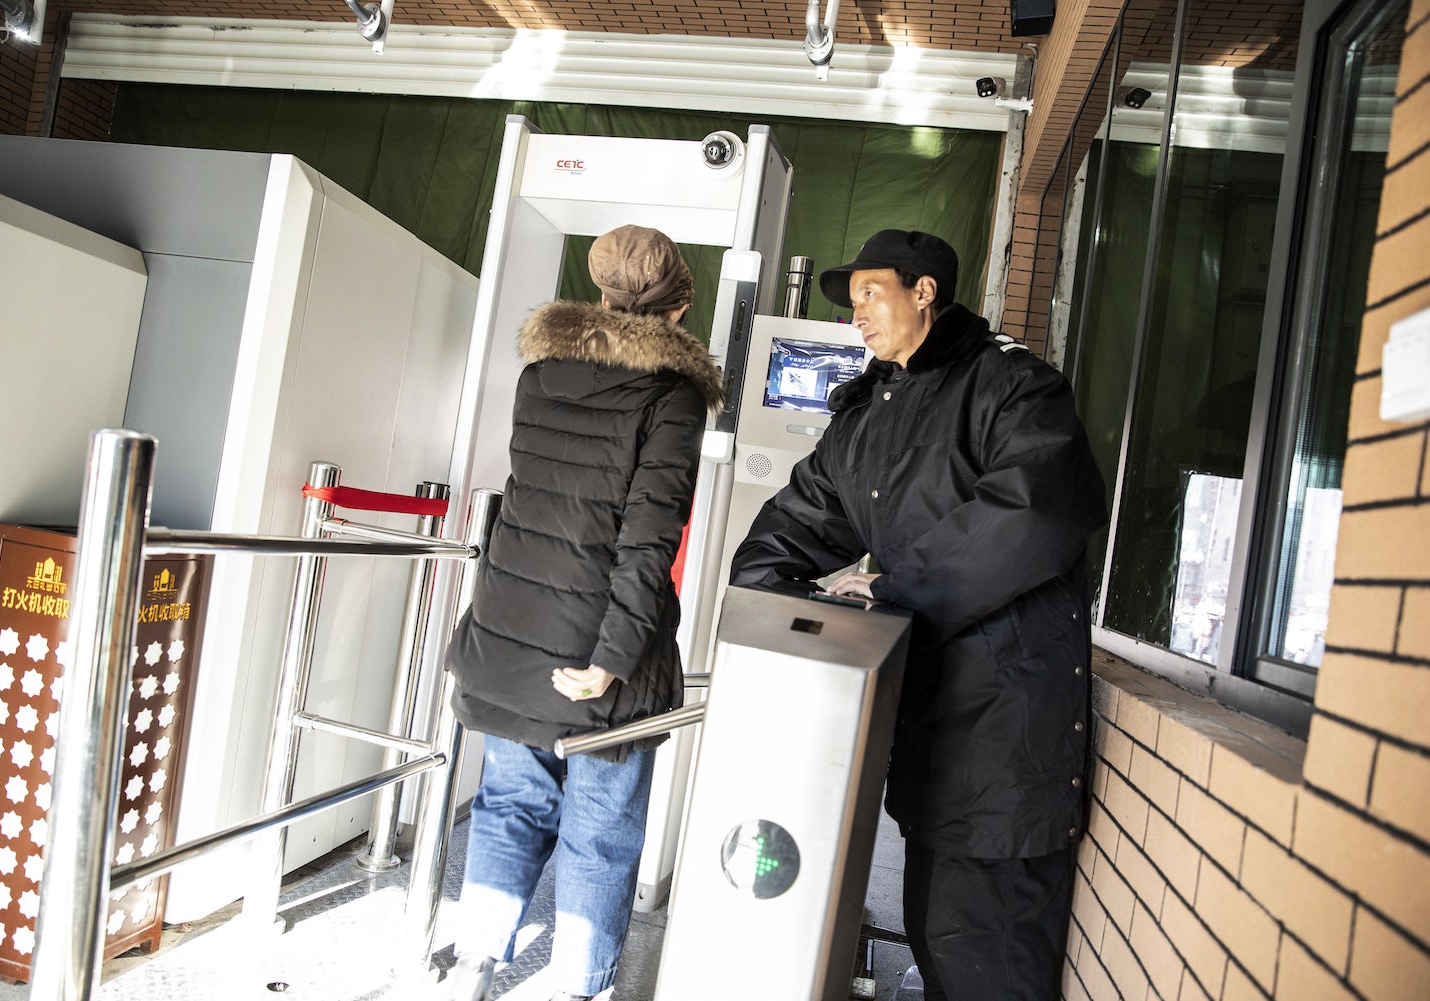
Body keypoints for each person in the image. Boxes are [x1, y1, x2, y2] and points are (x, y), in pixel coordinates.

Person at [730, 229, 1107, 999]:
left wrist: (895, 588)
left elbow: (1031, 516)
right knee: (937, 936)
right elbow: (799, 517)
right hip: (931, 730)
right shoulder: (872, 411)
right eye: (854, 301)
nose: (858, 314)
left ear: (923, 290)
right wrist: (762, 610)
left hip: (1007, 737)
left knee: (984, 960)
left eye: (871, 292)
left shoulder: (1012, 386)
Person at [440, 224, 723, 1001]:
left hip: (511, 628)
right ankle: (576, 985)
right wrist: (615, 656)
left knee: (509, 801)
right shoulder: (673, 394)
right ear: (681, 303)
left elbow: (525, 501)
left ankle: (474, 962)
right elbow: (649, 534)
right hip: (593, 648)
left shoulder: (542, 371)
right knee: (599, 828)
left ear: (600, 290)